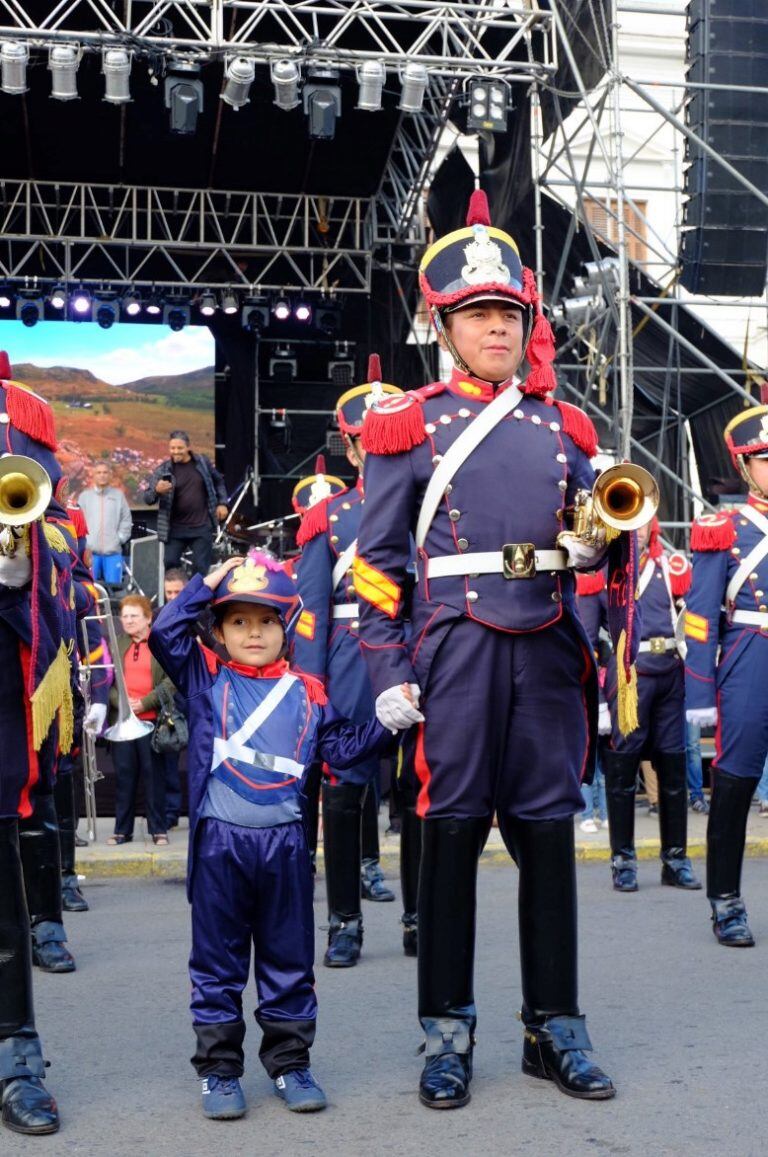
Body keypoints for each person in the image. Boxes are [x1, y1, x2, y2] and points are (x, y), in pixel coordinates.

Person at [355, 190, 640, 1108]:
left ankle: (554, 1026)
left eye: (508, 314)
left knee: (550, 841)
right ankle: (447, 1030)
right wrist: (391, 671)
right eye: (478, 315)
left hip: (549, 647)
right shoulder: (410, 423)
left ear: (527, 323)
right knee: (448, 841)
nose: (496, 329)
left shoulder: (567, 428)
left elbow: (604, 541)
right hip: (458, 650)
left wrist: (601, 544)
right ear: (444, 325)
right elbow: (376, 566)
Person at [148, 551, 393, 1119]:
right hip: (220, 846)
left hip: (285, 846)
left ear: (286, 628)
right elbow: (165, 631)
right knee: (217, 964)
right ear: (218, 630)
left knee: (289, 960)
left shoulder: (311, 691)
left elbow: (342, 751)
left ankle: (290, 1064)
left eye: (265, 621)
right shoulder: (205, 678)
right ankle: (219, 1072)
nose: (252, 632)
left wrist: (386, 723)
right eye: (237, 621)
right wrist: (207, 582)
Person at [0, 353, 95, 1134]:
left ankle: (14, 1053)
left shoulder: (19, 421)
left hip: (18, 659)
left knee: (22, 817)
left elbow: (52, 520)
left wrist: (22, 558)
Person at [292, 360, 403, 966]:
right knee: (344, 791)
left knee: (423, 794)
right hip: (350, 660)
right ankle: (345, 921)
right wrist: (313, 682)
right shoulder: (328, 519)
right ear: (354, 451)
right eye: (369, 443)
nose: (380, 452)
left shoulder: (436, 507)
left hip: (423, 655)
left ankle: (419, 916)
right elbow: (311, 611)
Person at [684, 400, 768, 946]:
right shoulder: (724, 528)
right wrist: (701, 692)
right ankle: (726, 900)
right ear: (745, 466)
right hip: (750, 657)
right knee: (735, 781)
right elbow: (698, 616)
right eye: (765, 458)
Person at [603, 517, 700, 892]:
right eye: (632, 523)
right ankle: (622, 860)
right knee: (624, 771)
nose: (639, 529)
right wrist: (599, 696)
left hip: (671, 674)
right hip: (630, 677)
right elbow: (589, 628)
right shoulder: (609, 572)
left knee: (674, 768)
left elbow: (695, 616)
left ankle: (675, 860)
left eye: (645, 523)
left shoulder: (671, 568)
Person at [106, 595, 174, 846]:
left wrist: (146, 702)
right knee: (124, 777)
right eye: (124, 616)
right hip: (123, 721)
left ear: (148, 618)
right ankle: (122, 831)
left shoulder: (160, 644)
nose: (128, 620)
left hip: (152, 721)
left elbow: (171, 680)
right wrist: (122, 703)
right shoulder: (115, 644)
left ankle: (159, 829)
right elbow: (107, 681)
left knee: (154, 777)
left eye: (134, 615)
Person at [144, 431, 228, 576]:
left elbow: (218, 480)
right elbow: (148, 498)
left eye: (180, 448)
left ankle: (198, 598)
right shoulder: (163, 470)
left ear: (188, 447)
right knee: (170, 565)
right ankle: (177, 596)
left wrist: (222, 503)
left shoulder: (202, 463)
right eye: (172, 448)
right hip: (175, 529)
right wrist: (157, 491)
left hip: (201, 527)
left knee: (201, 568)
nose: (176, 452)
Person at [574, 570, 610, 833]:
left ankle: (604, 813)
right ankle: (587, 813)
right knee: (585, 758)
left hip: (594, 682)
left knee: (599, 762)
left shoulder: (594, 587)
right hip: (571, 683)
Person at [159, 569, 190, 828]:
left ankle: (198, 808)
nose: (172, 597)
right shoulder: (159, 617)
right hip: (171, 694)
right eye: (168, 592)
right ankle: (170, 813)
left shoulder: (201, 614)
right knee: (169, 755)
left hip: (199, 691)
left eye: (177, 592)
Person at [77, 462, 132, 586]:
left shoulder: (118, 496)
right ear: (93, 475)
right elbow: (78, 522)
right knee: (89, 589)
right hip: (89, 554)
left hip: (113, 553)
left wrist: (119, 539)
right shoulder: (85, 497)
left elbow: (126, 520)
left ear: (110, 475)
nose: (102, 475)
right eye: (99, 472)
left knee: (115, 590)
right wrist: (84, 543)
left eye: (105, 472)